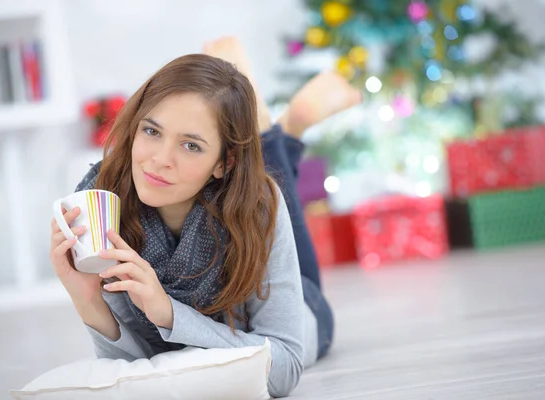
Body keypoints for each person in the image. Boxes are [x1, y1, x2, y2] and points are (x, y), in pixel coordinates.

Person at [50, 37, 361, 398]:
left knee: (263, 188)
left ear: (222, 163)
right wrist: (87, 300)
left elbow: (284, 367)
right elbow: (136, 373)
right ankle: (267, 129)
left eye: (191, 145)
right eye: (152, 131)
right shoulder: (105, 204)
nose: (159, 159)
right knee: (258, 180)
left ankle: (280, 131)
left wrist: (168, 312)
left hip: (300, 306)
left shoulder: (256, 204)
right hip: (236, 209)